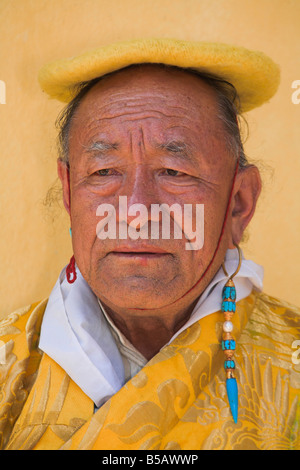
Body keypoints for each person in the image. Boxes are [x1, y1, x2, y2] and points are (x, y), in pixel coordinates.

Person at [0, 38, 299, 450]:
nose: (136, 210)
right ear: (69, 195)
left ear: (238, 204)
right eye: (104, 171)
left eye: (174, 172)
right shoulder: (8, 368)